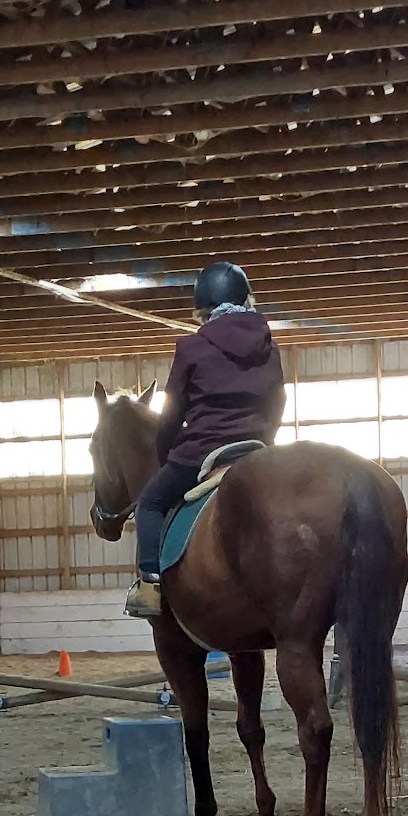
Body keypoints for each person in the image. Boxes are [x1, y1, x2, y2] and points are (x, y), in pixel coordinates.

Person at [125, 261, 287, 619]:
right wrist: (265, 441)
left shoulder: (191, 348)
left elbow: (171, 413)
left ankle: (150, 585)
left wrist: (167, 453)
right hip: (257, 452)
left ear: (203, 308)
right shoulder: (270, 348)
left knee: (149, 502)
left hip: (200, 452)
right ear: (246, 301)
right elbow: (278, 402)